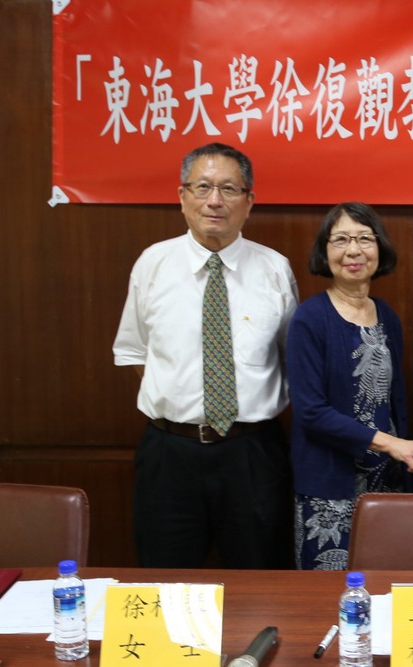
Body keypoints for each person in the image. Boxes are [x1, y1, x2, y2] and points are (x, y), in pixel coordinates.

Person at [113, 143, 298, 568]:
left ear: (249, 201)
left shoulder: (274, 268)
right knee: (166, 579)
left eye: (229, 189)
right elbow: (134, 350)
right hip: (170, 453)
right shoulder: (153, 264)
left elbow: (291, 359)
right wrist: (182, 403)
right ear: (182, 197)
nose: (215, 200)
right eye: (202, 187)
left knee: (261, 579)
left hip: (252, 453)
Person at [287, 202, 413, 570]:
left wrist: (407, 455)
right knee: (327, 593)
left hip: (388, 480)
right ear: (325, 251)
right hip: (329, 489)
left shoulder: (387, 315)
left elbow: (393, 402)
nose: (353, 250)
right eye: (340, 240)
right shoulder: (309, 318)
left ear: (379, 248)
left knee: (388, 585)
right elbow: (311, 411)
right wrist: (393, 444)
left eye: (364, 239)